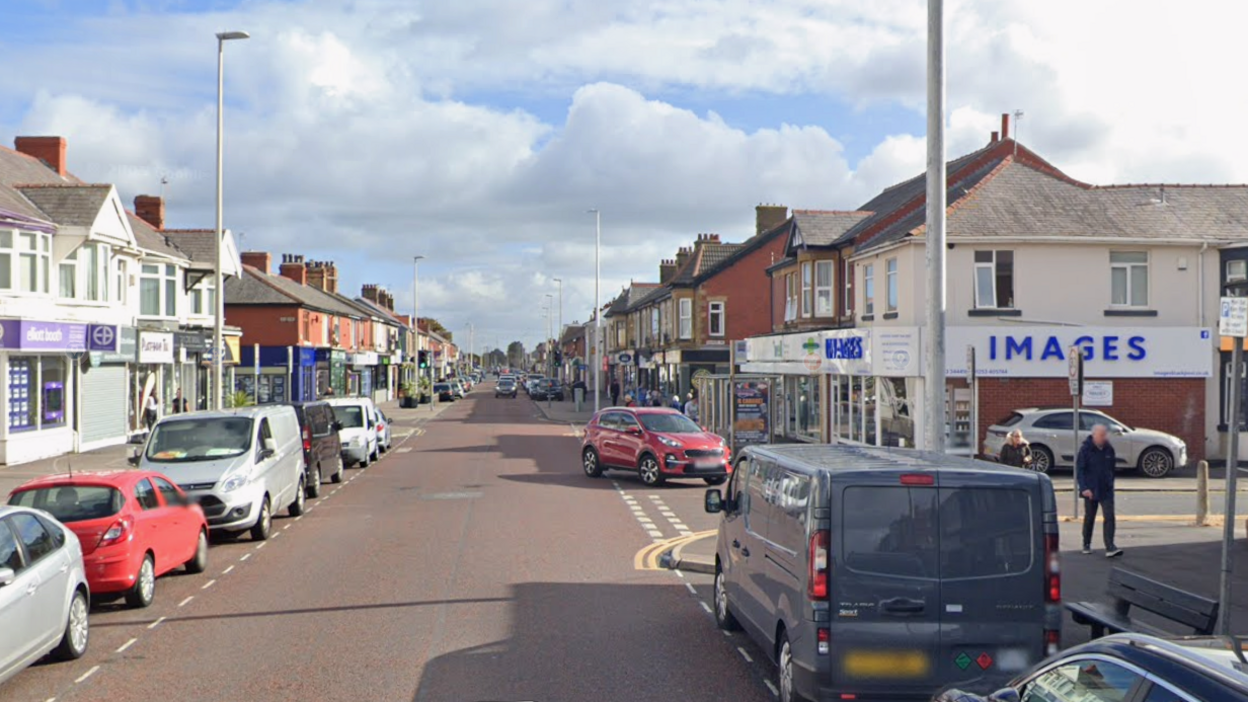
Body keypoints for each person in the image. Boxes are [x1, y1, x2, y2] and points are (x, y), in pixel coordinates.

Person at [1078, 424, 1122, 558]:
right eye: (1101, 435)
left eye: (1105, 435)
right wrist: (1084, 488)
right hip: (1090, 489)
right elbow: (1080, 470)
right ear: (1094, 435)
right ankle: (1086, 543)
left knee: (1109, 517)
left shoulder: (1109, 449)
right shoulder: (1085, 450)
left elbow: (1112, 468)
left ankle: (1110, 546)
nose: (1104, 437)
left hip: (1106, 489)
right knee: (1090, 517)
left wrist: (1110, 482)